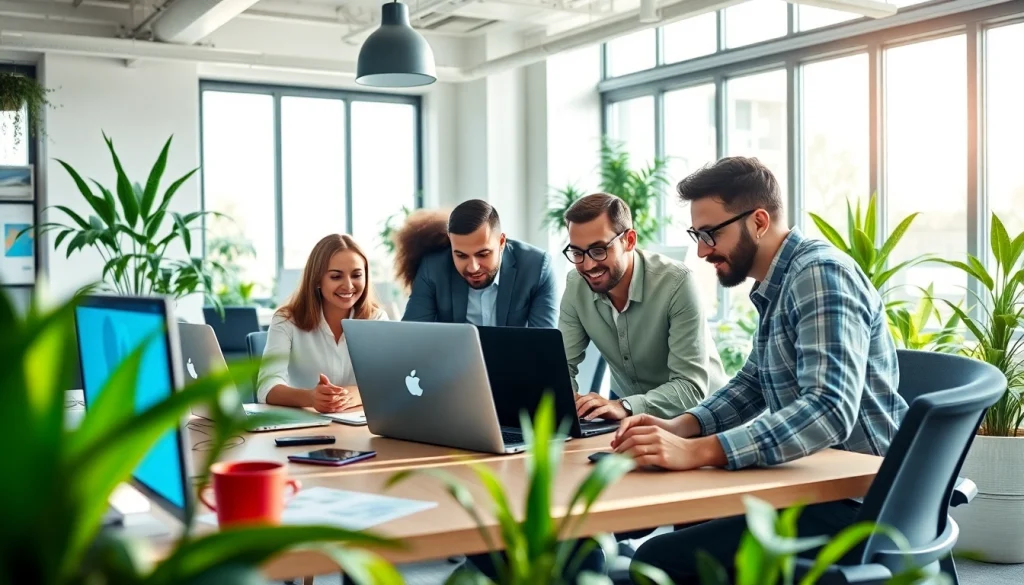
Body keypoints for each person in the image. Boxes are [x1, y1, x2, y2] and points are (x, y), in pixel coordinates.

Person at [619, 157, 908, 584]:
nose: (701, 251)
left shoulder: (819, 274)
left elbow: (829, 409)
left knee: (658, 559)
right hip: (818, 484)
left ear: (757, 221)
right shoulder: (780, 282)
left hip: (859, 502)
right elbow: (753, 382)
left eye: (710, 234)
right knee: (685, 528)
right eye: (696, 235)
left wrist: (699, 451)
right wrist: (681, 427)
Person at [559, 192, 728, 421]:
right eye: (577, 253)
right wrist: (567, 402)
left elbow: (690, 386)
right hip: (632, 419)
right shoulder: (575, 284)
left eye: (599, 250)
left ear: (629, 240)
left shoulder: (677, 283)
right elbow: (561, 366)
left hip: (702, 419)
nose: (588, 265)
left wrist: (626, 406)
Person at [257, 234, 388, 413]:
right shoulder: (286, 320)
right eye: (336, 277)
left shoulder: (377, 320)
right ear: (317, 279)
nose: (349, 285)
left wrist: (353, 395)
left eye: (357, 275)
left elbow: (387, 382)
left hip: (359, 426)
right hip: (303, 426)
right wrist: (311, 397)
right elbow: (267, 388)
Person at [397, 199, 558, 328]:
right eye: (461, 255)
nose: (473, 267)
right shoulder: (432, 269)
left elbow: (543, 347)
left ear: (501, 242)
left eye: (483, 254)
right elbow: (412, 339)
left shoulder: (537, 268)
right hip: (455, 367)